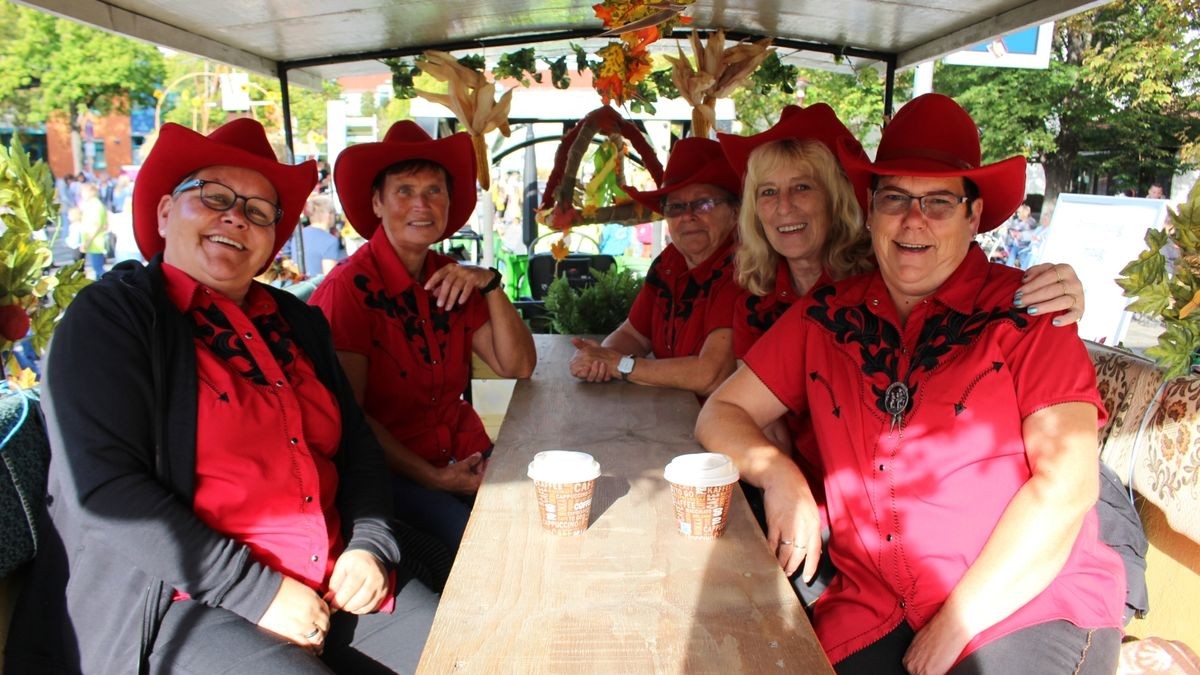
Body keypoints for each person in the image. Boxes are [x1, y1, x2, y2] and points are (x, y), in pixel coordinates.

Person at [696, 94, 1124, 674]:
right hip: (870, 607)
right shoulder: (826, 316)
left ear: (974, 216)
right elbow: (719, 412)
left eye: (939, 201)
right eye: (895, 198)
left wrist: (958, 622)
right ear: (870, 210)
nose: (913, 219)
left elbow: (1067, 488)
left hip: (1022, 603)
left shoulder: (1029, 312)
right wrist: (780, 478)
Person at [5, 118, 438, 675]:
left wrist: (370, 543)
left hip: (335, 581)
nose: (236, 215)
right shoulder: (112, 317)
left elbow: (356, 446)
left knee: (477, 651)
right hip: (182, 605)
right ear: (164, 212)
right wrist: (259, 592)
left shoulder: (297, 322)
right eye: (214, 197)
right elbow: (109, 489)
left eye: (258, 211)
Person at [310, 121, 536, 555]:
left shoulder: (448, 276)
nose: (422, 204)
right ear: (377, 202)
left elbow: (519, 366)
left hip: (464, 457)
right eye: (405, 190)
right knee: (485, 551)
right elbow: (350, 419)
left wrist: (490, 284)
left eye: (435, 190)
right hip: (392, 477)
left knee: (542, 519)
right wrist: (434, 478)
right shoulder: (348, 291)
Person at [568, 138, 741, 396]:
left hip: (726, 427)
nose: (687, 216)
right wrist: (600, 359)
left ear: (735, 212)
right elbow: (634, 335)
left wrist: (621, 365)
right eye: (675, 207)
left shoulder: (745, 267)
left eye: (704, 203)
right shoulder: (670, 261)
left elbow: (712, 374)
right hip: (672, 419)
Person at [285, 194, 344, 276]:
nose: (335, 216)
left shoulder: (298, 236)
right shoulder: (330, 241)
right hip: (317, 287)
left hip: (299, 285)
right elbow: (329, 277)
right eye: (334, 212)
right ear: (328, 215)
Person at [76, 181, 109, 278]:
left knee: (98, 269)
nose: (82, 194)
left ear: (91, 192)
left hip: (96, 242)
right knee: (97, 269)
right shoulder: (93, 204)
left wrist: (87, 242)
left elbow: (96, 226)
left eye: (83, 192)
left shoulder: (94, 205)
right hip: (94, 242)